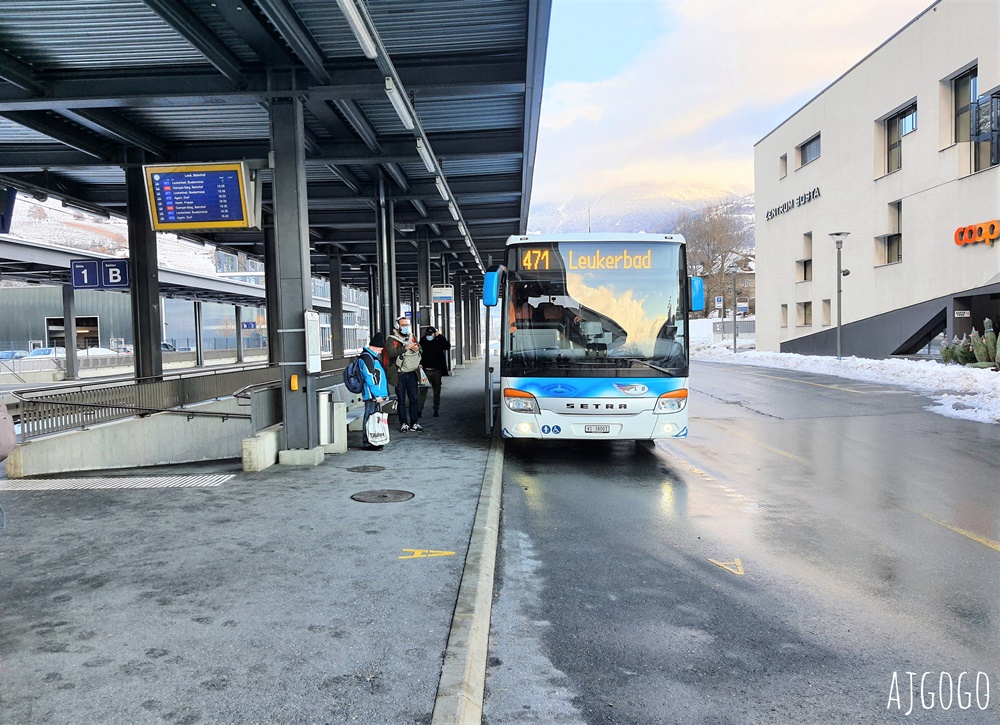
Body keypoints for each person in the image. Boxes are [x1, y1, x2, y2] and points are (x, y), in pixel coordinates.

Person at [385, 315, 423, 432]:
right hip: (399, 374)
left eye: (407, 325)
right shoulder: (391, 339)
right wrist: (405, 348)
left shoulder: (412, 337)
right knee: (401, 400)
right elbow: (391, 353)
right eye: (403, 325)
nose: (406, 327)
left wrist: (417, 349)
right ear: (398, 326)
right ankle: (404, 423)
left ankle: (414, 423)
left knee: (414, 398)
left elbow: (421, 350)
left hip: (412, 373)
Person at [359, 332, 389, 451]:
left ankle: (374, 440)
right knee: (369, 417)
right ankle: (368, 441)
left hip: (374, 394)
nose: (381, 352)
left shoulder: (370, 357)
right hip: (372, 394)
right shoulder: (367, 358)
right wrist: (377, 395)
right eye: (381, 349)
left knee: (372, 416)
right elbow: (370, 377)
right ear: (375, 347)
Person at [419, 326, 451, 417]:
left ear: (434, 334)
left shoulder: (438, 340)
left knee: (436, 392)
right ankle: (419, 410)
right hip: (425, 370)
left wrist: (440, 336)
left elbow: (447, 346)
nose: (428, 336)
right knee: (422, 391)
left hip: (437, 370)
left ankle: (436, 410)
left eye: (431, 334)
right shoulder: (422, 341)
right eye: (427, 334)